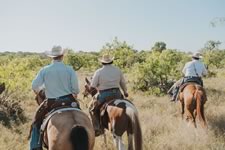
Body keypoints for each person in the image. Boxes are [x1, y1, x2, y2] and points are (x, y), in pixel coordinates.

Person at [30, 46, 79, 150]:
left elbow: (34, 85)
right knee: (81, 116)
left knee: (36, 122)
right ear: (62, 56)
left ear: (52, 57)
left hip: (51, 102)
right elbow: (76, 89)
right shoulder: (69, 69)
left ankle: (35, 146)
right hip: (69, 101)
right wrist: (74, 94)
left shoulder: (45, 70)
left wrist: (41, 92)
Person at [89, 54, 128, 136]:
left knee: (91, 108)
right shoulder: (118, 70)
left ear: (102, 63)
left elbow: (92, 85)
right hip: (117, 93)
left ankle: (97, 128)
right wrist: (125, 92)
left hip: (104, 94)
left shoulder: (99, 71)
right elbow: (122, 83)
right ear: (111, 61)